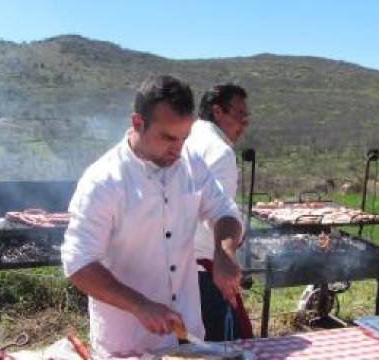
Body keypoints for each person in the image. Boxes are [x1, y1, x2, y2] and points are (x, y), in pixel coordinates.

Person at [61, 75, 244, 355]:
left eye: (184, 138)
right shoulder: (103, 181)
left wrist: (224, 252)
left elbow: (225, 212)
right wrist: (139, 305)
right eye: (168, 138)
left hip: (188, 333)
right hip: (129, 343)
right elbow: (78, 263)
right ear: (138, 123)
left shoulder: (191, 163)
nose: (177, 149)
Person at [185, 84, 253, 341]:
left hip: (179, 266)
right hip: (207, 268)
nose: (244, 122)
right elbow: (217, 214)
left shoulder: (187, 137)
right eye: (239, 114)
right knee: (220, 342)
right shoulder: (220, 151)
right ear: (217, 111)